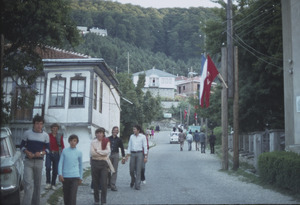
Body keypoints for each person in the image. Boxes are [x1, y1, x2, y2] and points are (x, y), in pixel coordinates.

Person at [20, 114, 50, 205]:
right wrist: (27, 152)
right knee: (28, 184)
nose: (39, 126)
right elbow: (21, 146)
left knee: (37, 185)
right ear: (33, 124)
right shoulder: (27, 133)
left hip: (39, 162)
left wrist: (41, 153)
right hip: (28, 161)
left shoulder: (45, 135)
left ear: (43, 125)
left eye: (41, 124)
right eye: (37, 123)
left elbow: (48, 150)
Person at [58, 134, 83, 205]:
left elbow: (81, 165)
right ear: (69, 141)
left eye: (74, 141)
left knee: (72, 196)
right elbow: (60, 163)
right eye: (71, 140)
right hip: (65, 177)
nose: (73, 142)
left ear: (77, 142)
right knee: (66, 196)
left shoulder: (79, 152)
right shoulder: (64, 151)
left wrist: (81, 177)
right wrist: (60, 174)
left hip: (75, 177)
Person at [90, 128, 111, 205]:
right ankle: (96, 200)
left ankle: (103, 201)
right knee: (95, 182)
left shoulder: (106, 141)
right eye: (97, 133)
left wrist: (98, 151)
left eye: (101, 133)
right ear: (96, 134)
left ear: (103, 134)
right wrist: (101, 153)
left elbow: (107, 151)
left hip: (103, 163)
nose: (99, 134)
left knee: (104, 183)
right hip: (95, 163)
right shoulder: (93, 142)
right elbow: (92, 153)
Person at [126, 125, 148, 190]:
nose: (133, 130)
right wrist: (127, 155)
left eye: (135, 129)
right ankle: (133, 179)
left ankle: (137, 185)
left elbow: (145, 146)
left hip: (139, 153)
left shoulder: (143, 137)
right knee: (131, 170)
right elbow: (129, 145)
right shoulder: (131, 136)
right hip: (132, 154)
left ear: (138, 130)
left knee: (138, 169)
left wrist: (145, 156)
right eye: (133, 129)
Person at [45, 123, 65, 190]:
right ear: (51, 129)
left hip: (57, 154)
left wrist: (63, 153)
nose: (55, 129)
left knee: (55, 170)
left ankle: (53, 183)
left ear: (57, 129)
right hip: (49, 153)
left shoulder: (60, 136)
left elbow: (62, 145)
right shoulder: (48, 135)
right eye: (53, 128)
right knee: (48, 167)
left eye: (56, 128)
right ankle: (48, 183)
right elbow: (45, 144)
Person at [108, 126, 125, 191]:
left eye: (117, 130)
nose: (115, 131)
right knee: (108, 170)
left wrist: (123, 157)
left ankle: (113, 185)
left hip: (115, 154)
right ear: (112, 131)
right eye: (114, 130)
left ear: (118, 132)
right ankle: (108, 183)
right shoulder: (108, 138)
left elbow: (122, 148)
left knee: (114, 170)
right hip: (109, 155)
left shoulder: (119, 139)